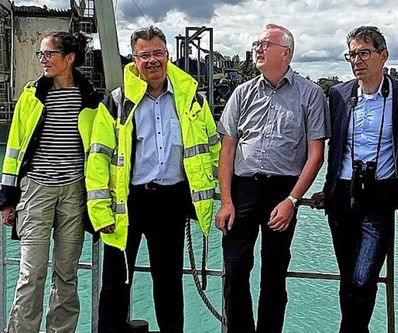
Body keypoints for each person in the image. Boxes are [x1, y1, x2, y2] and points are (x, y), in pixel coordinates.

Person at [85, 26, 220, 333]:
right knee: (115, 283)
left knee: (169, 283)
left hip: (171, 201)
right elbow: (98, 159)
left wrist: (222, 199)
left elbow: (213, 149)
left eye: (158, 53)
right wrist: (100, 211)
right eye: (144, 55)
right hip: (128, 201)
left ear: (168, 56)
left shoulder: (191, 101)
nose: (152, 61)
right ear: (134, 60)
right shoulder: (116, 102)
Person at [215, 23, 329, 333]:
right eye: (257, 43)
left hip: (283, 190)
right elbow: (227, 150)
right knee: (235, 270)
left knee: (274, 273)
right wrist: (226, 200)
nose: (258, 48)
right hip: (244, 189)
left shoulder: (311, 94)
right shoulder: (242, 93)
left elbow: (316, 154)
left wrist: (292, 200)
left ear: (286, 53)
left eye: (266, 43)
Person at [314, 26, 398, 332]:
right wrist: (327, 188)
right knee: (348, 279)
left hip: (380, 197)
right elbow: (334, 148)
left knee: (363, 279)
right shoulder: (339, 94)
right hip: (341, 197)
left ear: (383, 56)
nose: (356, 60)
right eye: (352, 54)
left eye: (364, 53)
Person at [0, 31, 100, 333]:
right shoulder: (32, 96)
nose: (43, 60)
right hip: (36, 191)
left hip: (74, 192)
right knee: (31, 273)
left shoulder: (91, 99)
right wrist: (7, 199)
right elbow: (14, 149)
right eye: (40, 55)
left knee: (67, 274)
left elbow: (99, 151)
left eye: (48, 54)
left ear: (69, 58)